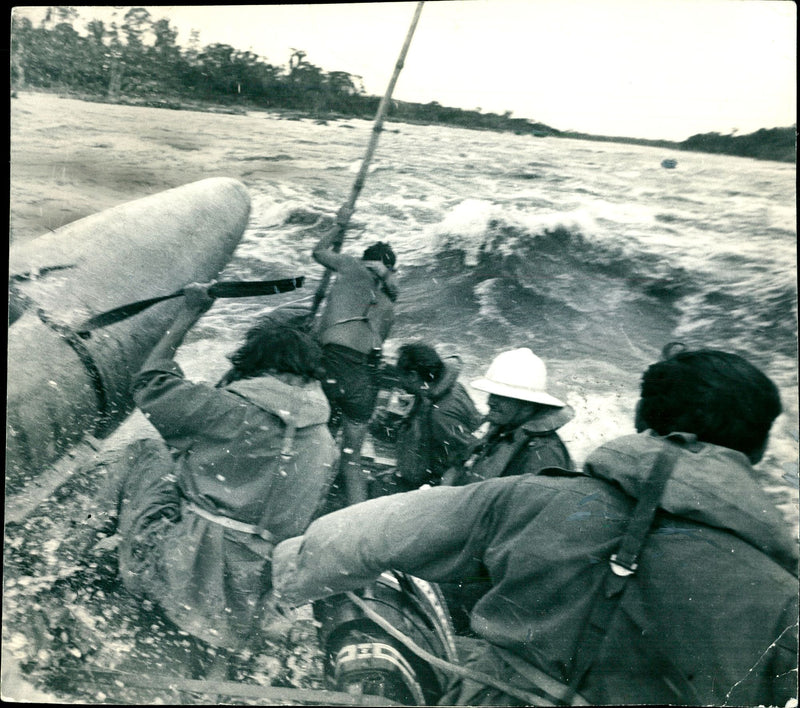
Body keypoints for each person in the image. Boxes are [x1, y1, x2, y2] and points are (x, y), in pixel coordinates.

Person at [271, 346, 798, 706]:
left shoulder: (531, 498)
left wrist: (290, 577)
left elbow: (365, 534)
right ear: (756, 448)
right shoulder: (783, 596)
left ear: (642, 419)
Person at [59, 283, 337, 677]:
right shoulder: (325, 441)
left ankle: (69, 556)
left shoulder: (231, 411)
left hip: (184, 573)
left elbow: (150, 383)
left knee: (146, 452)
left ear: (258, 365)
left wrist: (189, 313)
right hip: (246, 597)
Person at [312, 211, 398, 506]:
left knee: (314, 446)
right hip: (364, 379)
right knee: (353, 460)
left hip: (333, 365)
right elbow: (376, 345)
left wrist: (338, 225)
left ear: (365, 260)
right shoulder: (389, 304)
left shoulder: (350, 266)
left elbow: (318, 251)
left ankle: (307, 505)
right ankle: (356, 516)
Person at [442, 347, 574, 486]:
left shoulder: (543, 453)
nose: (490, 402)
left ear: (527, 406)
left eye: (501, 397)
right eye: (492, 395)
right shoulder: (501, 430)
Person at [371, 342, 483, 493]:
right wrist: (381, 427)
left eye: (400, 377)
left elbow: (463, 459)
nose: (399, 383)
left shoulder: (440, 414)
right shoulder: (436, 390)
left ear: (413, 376)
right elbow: (419, 439)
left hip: (430, 488)